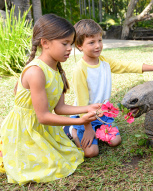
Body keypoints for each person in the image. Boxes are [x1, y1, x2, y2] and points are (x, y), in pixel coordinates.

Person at [0, 14, 103, 185]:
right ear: (45, 43)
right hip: (26, 130)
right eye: (65, 44)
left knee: (68, 155)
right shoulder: (36, 72)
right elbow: (43, 116)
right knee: (50, 165)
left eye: (71, 43)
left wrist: (88, 108)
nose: (70, 48)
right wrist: (80, 122)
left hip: (44, 129)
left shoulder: (57, 70)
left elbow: (60, 107)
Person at [63, 19, 153, 158]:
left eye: (100, 40)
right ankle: (72, 129)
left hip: (103, 115)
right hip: (85, 116)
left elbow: (126, 66)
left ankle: (97, 131)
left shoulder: (105, 62)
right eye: (91, 42)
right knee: (91, 152)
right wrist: (87, 127)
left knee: (115, 141)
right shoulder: (80, 69)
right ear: (79, 46)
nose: (98, 46)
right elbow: (82, 103)